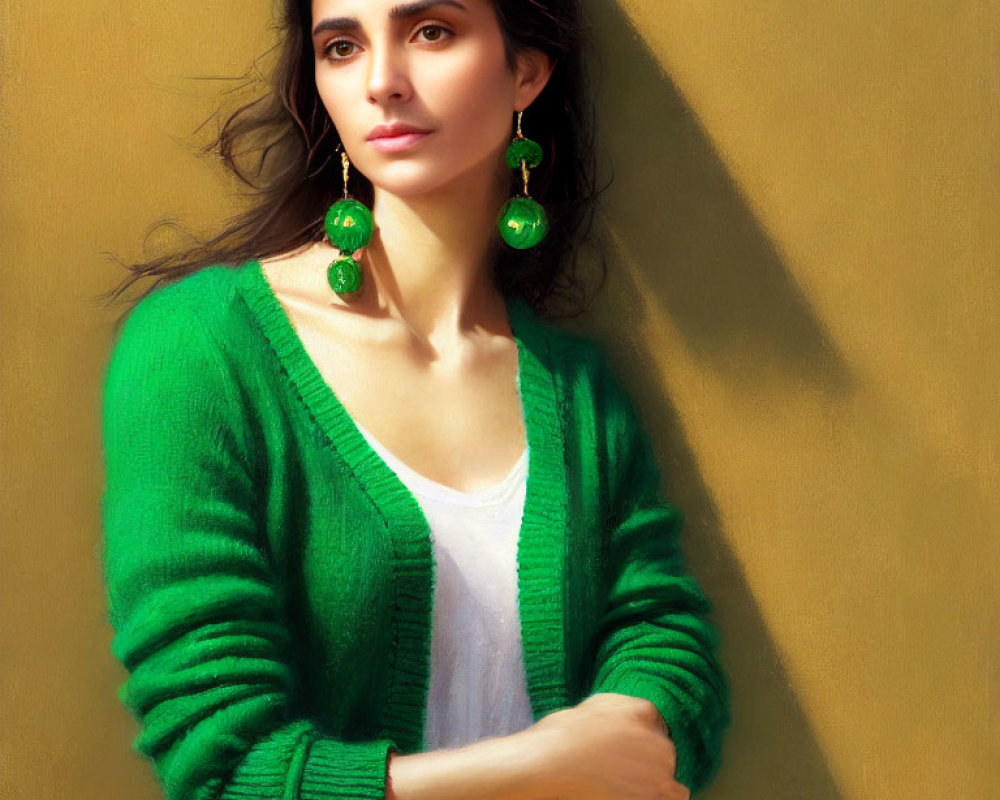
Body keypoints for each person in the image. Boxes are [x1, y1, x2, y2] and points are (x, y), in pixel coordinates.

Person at [99, 1, 731, 799]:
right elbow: (222, 764)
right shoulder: (200, 351)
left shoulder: (576, 390)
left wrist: (635, 725)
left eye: (430, 31)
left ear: (525, 73)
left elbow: (664, 638)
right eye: (342, 45)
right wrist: (542, 770)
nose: (381, 82)